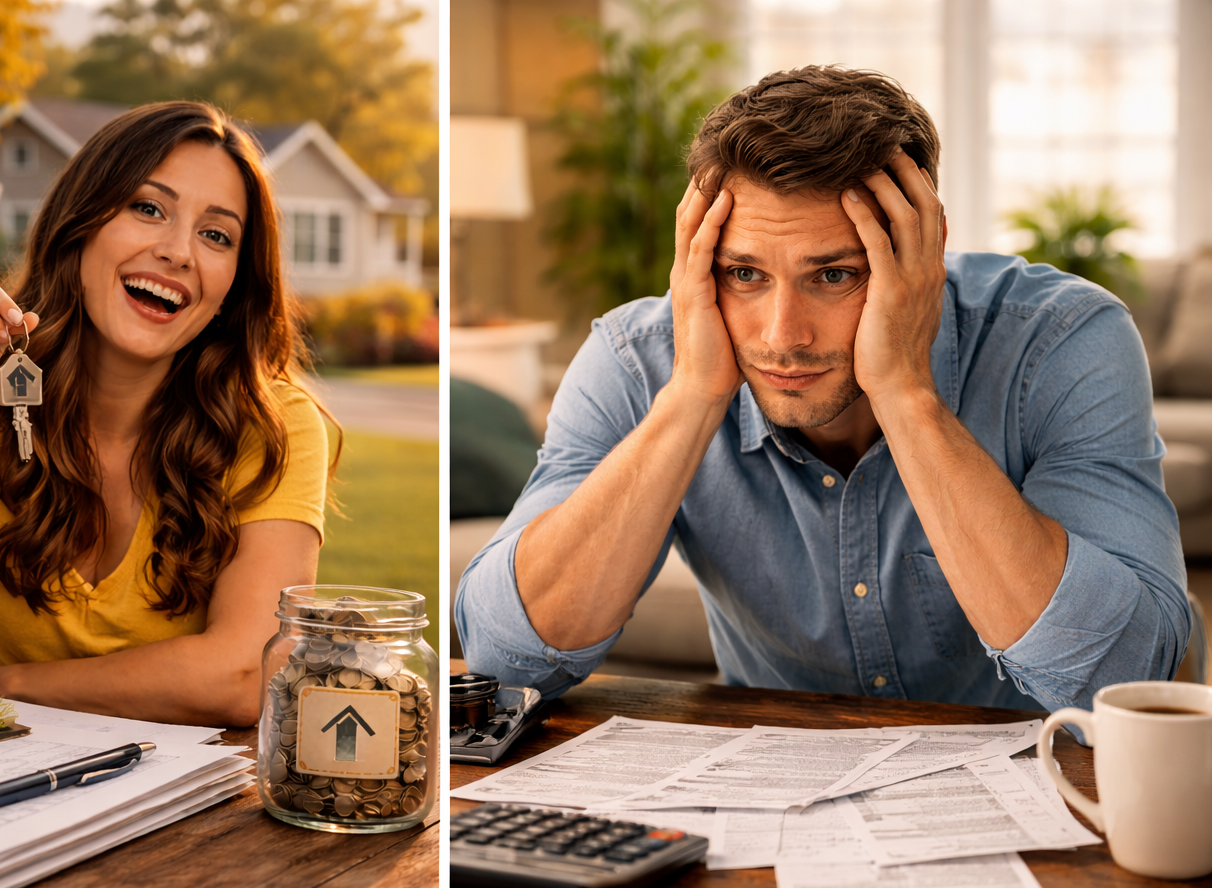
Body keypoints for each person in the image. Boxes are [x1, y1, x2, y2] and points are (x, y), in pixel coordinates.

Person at [455, 66, 1190, 713]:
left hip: (1042, 802)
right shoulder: (636, 361)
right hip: (769, 817)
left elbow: (1121, 677)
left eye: (834, 275)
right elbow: (502, 659)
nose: (783, 334)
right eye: (746, 274)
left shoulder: (1061, 340)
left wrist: (907, 396)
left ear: (922, 254)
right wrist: (690, 398)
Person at [0, 102, 332, 727]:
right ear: (79, 227)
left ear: (232, 288)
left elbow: (246, 673)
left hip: (194, 804)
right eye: (148, 208)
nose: (179, 252)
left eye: (216, 235)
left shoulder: (274, 424)